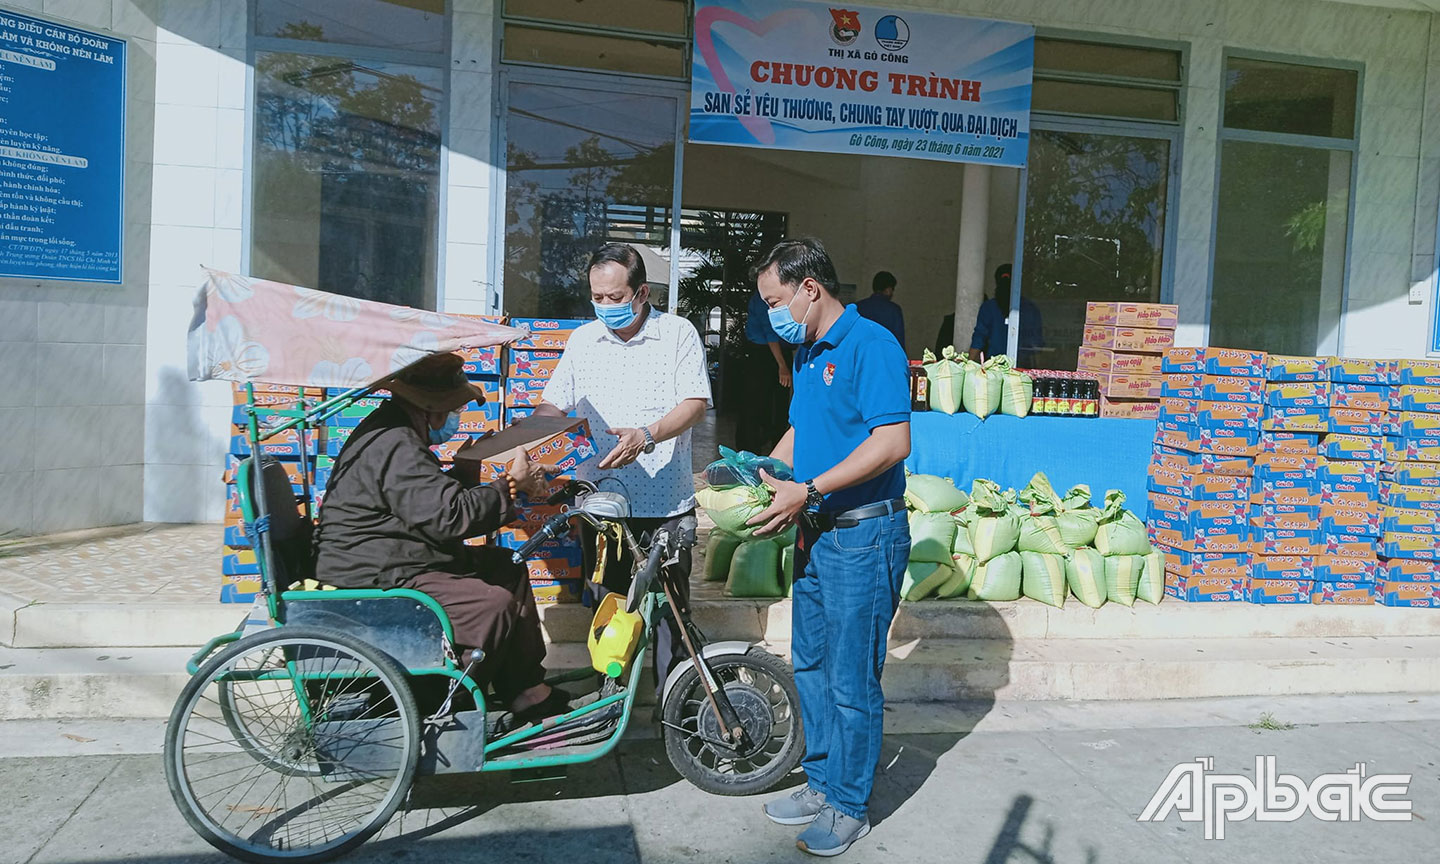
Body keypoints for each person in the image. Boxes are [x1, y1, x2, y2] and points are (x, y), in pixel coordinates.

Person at [746, 237, 911, 857]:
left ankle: (848, 804)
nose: (772, 315)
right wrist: (763, 470)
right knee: (810, 665)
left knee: (851, 680)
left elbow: (893, 443)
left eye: (775, 299)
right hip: (818, 532)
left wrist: (809, 488)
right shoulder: (810, 352)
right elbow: (802, 428)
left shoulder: (871, 346)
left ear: (809, 288)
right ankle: (820, 784)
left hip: (864, 535)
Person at [312, 352, 571, 725]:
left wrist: (467, 468)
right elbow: (449, 516)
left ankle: (526, 690)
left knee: (506, 566)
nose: (456, 418)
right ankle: (439, 699)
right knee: (491, 603)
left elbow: (426, 503)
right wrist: (511, 485)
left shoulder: (397, 430)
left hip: (399, 553)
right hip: (378, 571)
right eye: (454, 410)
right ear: (431, 409)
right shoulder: (396, 442)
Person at [533, 242, 712, 692]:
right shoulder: (583, 340)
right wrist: (533, 440)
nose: (606, 307)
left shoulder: (677, 334)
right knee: (608, 609)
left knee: (672, 611)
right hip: (602, 503)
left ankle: (676, 705)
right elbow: (554, 402)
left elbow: (695, 405)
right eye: (597, 298)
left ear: (642, 293)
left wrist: (647, 435)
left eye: (615, 298)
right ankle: (609, 703)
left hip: (665, 501)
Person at [934, 263, 1043, 365]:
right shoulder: (1031, 309)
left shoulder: (988, 308)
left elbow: (978, 340)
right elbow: (1037, 346)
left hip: (994, 367)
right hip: (1021, 367)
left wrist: (968, 365)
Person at [735, 286, 792, 455]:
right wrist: (782, 366)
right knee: (758, 403)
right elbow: (770, 334)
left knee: (775, 403)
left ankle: (773, 445)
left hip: (774, 352)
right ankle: (752, 447)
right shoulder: (763, 299)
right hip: (764, 354)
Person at [854, 270, 905, 350]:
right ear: (888, 290)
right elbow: (899, 342)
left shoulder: (858, 307)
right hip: (885, 355)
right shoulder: (894, 310)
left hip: (862, 354)